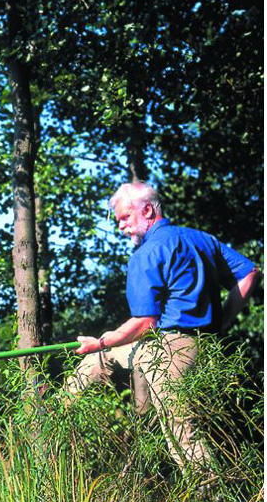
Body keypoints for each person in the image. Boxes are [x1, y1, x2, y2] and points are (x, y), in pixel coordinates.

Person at [65, 181, 260, 473]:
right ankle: (58, 406)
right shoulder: (201, 239)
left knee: (182, 432)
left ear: (146, 210)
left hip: (171, 351)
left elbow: (145, 322)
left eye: (124, 218)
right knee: (99, 360)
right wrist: (223, 320)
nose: (121, 227)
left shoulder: (147, 253)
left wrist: (101, 342)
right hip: (201, 344)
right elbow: (250, 273)